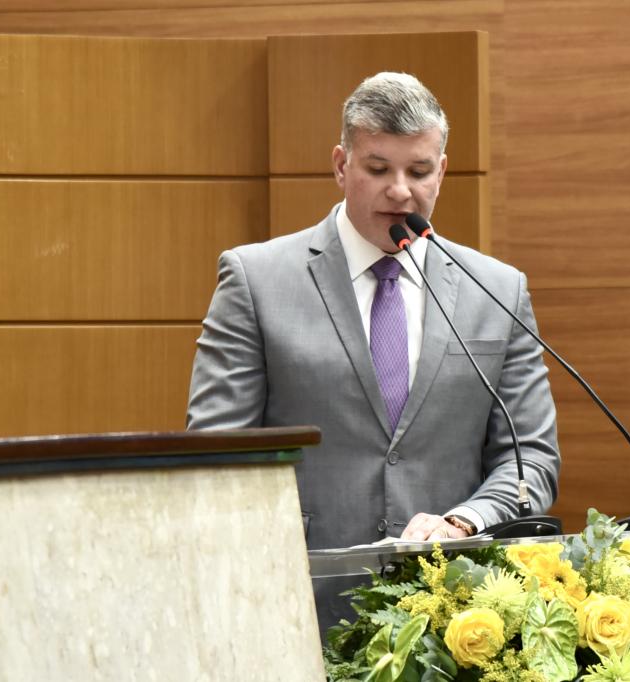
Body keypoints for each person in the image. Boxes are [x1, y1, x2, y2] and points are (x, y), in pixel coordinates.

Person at [186, 72, 560, 551]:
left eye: (419, 172)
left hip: (453, 587)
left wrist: (465, 521)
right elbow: (216, 454)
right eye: (379, 169)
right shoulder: (255, 281)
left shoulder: (497, 290)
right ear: (341, 166)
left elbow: (530, 459)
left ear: (442, 171)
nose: (400, 191)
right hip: (303, 578)